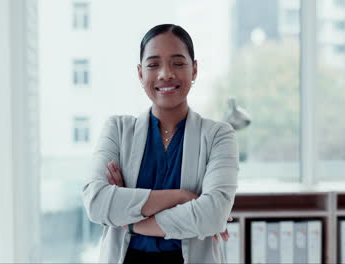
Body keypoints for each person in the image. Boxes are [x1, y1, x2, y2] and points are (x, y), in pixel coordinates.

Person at [82, 24, 239, 263]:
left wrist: (131, 222)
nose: (165, 73)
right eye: (153, 64)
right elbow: (97, 203)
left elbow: (212, 215)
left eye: (178, 63)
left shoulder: (219, 135)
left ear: (194, 69)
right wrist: (182, 197)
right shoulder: (118, 129)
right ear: (140, 73)